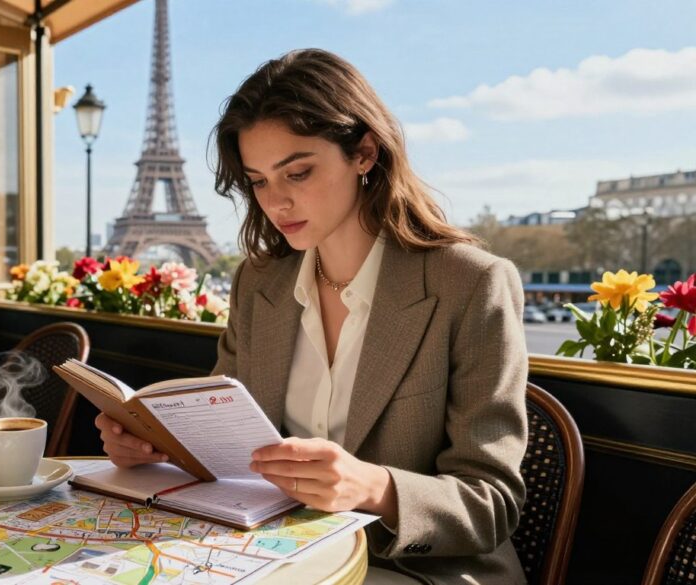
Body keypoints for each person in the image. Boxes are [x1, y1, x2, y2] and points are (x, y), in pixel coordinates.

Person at [95, 49, 528, 584]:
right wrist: (155, 449)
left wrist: (375, 488)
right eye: (257, 181)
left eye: (297, 173)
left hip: (409, 568)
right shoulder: (261, 283)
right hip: (272, 555)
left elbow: (493, 504)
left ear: (364, 153)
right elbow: (221, 443)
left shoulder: (470, 284)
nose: (276, 203)